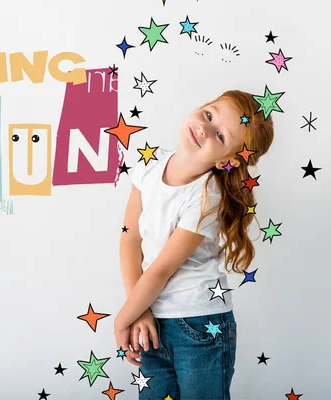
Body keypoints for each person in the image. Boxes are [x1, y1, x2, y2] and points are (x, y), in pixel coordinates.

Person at [114, 89, 275, 399]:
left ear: (227, 160)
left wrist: (124, 318)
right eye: (209, 115)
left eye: (220, 135)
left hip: (199, 327)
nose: (204, 128)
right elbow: (130, 238)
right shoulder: (148, 168)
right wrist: (140, 311)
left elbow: (162, 269)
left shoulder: (206, 197)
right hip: (150, 318)